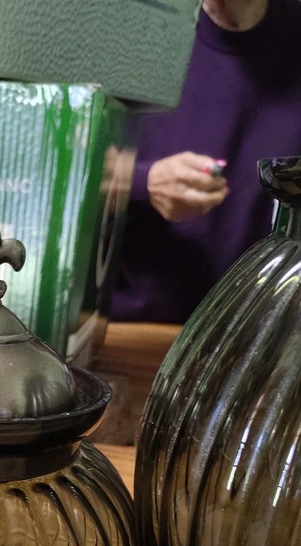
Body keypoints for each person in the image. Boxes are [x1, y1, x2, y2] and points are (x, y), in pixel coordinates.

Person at [111, 0, 301, 326]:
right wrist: (143, 180)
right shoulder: (133, 27)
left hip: (263, 335)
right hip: (136, 326)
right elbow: (58, 162)